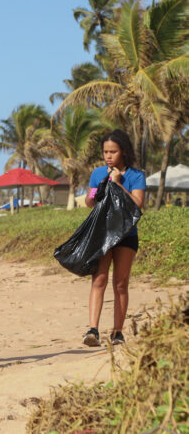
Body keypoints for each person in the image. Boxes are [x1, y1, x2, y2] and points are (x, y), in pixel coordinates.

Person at [82, 129, 145, 347]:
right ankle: (92, 330)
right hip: (102, 234)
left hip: (127, 235)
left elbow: (137, 204)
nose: (108, 156)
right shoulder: (98, 173)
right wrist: (97, 189)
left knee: (120, 283)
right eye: (105, 152)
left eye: (113, 152)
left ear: (123, 152)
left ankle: (118, 332)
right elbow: (90, 202)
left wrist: (117, 183)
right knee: (99, 279)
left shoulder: (136, 176)